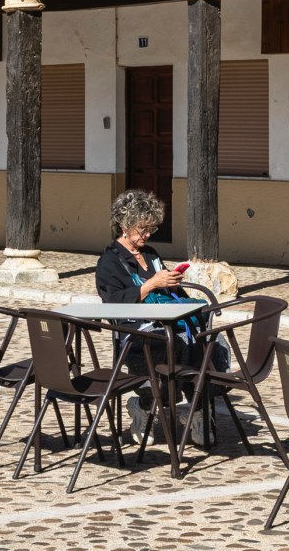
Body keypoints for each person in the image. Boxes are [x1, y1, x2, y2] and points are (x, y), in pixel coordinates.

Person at [95, 189, 223, 441]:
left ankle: (197, 409)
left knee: (211, 343)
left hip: (170, 324)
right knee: (169, 345)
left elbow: (168, 293)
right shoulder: (109, 261)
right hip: (137, 332)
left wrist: (172, 282)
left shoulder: (151, 254)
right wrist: (151, 284)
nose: (147, 235)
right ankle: (146, 406)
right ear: (124, 224)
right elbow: (112, 303)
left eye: (150, 229)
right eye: (142, 229)